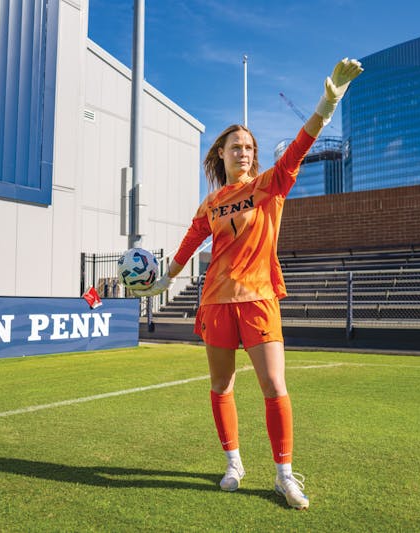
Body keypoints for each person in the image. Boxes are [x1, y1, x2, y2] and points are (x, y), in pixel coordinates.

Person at [133, 57, 363, 510]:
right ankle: (233, 463)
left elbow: (300, 145)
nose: (243, 152)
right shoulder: (210, 203)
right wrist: (164, 281)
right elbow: (188, 244)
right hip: (216, 302)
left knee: (274, 386)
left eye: (249, 147)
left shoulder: (271, 185)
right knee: (221, 386)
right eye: (235, 146)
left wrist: (327, 103)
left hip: (258, 298)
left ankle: (283, 475)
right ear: (220, 153)